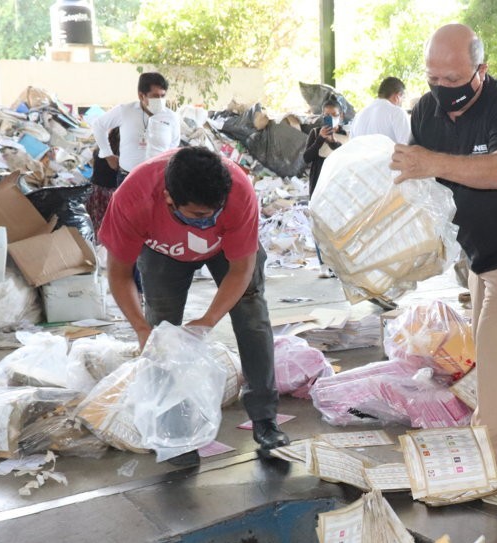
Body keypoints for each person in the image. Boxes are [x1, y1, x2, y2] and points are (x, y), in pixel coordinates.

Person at [390, 23, 497, 470]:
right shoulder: (425, 112)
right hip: (479, 246)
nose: (441, 89)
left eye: (452, 79)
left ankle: (484, 461)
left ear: (480, 71)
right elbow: (415, 175)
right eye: (433, 78)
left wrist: (434, 162)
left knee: (493, 340)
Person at [98, 147, 291, 458]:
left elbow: (241, 270)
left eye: (215, 211)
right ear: (168, 198)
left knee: (251, 312)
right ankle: (175, 429)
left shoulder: (239, 191)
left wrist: (208, 320)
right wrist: (140, 329)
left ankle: (265, 419)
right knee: (162, 329)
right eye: (200, 215)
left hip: (225, 252)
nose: (210, 219)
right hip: (162, 251)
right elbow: (119, 275)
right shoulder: (133, 197)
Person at [91, 72, 181, 184]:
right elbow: (98, 125)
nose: (160, 100)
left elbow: (173, 145)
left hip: (158, 179)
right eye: (155, 96)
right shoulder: (125, 111)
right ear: (141, 95)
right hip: (128, 177)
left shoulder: (171, 117)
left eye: (162, 96)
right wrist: (108, 154)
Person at [304, 98, 349, 279]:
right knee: (319, 226)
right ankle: (323, 263)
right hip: (318, 186)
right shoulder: (315, 133)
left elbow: (345, 158)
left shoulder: (346, 135)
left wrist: (332, 141)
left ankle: (337, 264)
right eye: (327, 116)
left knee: (338, 227)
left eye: (334, 115)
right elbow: (306, 158)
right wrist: (321, 139)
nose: (330, 119)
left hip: (338, 189)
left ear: (341, 116)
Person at [350, 77, 411, 144]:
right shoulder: (397, 113)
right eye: (403, 98)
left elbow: (351, 146)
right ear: (397, 96)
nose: (403, 101)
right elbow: (407, 148)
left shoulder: (358, 115)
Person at [87, 127, 120, 235]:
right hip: (108, 194)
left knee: (93, 222)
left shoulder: (100, 149)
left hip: (93, 190)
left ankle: (90, 244)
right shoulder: (116, 156)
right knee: (104, 226)